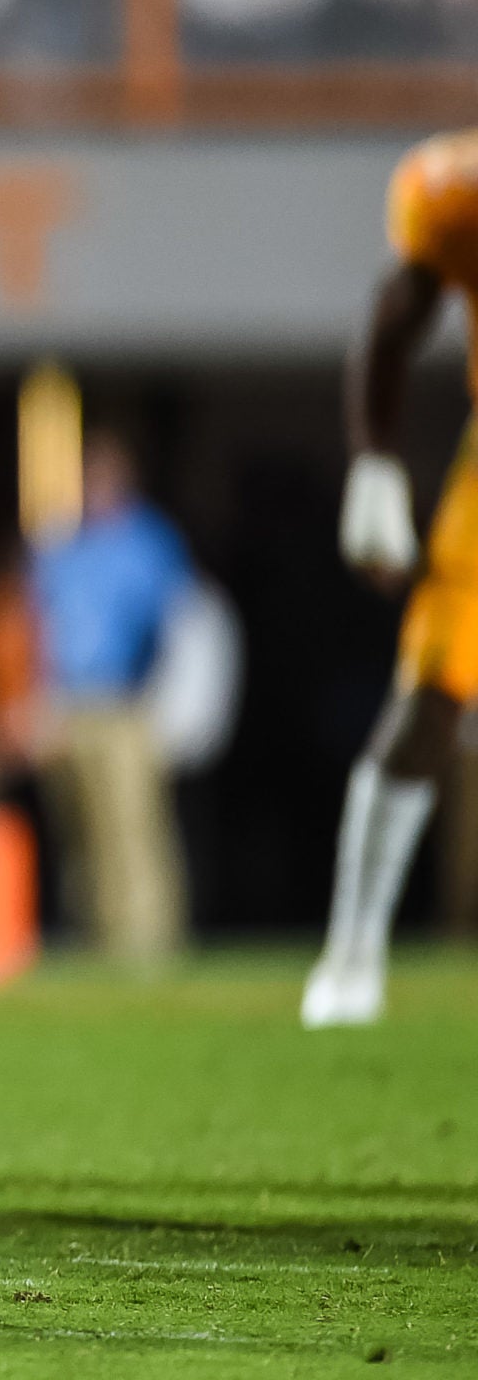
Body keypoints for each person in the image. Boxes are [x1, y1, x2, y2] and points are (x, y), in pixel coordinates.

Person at [309, 127, 478, 1025]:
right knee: (430, 690)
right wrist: (375, 461)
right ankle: (354, 949)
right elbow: (396, 315)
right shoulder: (460, 190)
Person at [28, 429, 194, 965]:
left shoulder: (148, 541)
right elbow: (37, 626)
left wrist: (168, 702)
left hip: (125, 704)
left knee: (131, 827)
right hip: (67, 706)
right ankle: (93, 936)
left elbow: (180, 626)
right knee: (79, 832)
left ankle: (146, 940)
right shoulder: (62, 544)